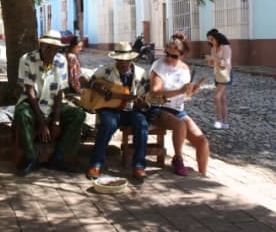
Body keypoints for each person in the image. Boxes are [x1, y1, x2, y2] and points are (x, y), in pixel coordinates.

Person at [14, 29, 86, 176]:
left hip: (53, 103)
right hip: (31, 102)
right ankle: (31, 158)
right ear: (42, 45)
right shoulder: (27, 59)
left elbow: (60, 91)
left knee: (78, 114)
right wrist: (42, 122)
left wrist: (56, 121)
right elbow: (30, 91)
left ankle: (59, 158)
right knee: (22, 113)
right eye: (48, 47)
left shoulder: (61, 60)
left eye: (55, 48)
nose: (52, 52)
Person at [84, 42, 150, 180]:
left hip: (132, 110)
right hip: (110, 109)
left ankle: (139, 166)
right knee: (107, 124)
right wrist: (105, 91)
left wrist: (143, 103)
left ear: (131, 59)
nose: (123, 63)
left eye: (126, 60)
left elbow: (146, 97)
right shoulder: (106, 70)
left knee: (142, 124)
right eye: (120, 60)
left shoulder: (141, 73)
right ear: (116, 59)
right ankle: (96, 164)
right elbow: (88, 82)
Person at [149, 32, 209, 176]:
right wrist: (180, 90)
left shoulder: (185, 69)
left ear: (182, 55)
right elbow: (155, 93)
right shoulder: (159, 65)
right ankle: (178, 158)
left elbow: (184, 95)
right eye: (167, 54)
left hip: (177, 110)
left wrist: (190, 91)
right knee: (180, 124)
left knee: (202, 142)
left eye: (174, 56)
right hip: (159, 107)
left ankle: (203, 175)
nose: (169, 58)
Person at [205, 29, 232, 129]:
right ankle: (225, 122)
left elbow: (225, 63)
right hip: (217, 74)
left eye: (211, 39)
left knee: (216, 97)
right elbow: (213, 64)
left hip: (226, 74)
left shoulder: (226, 48)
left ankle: (219, 120)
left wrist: (213, 59)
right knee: (222, 99)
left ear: (217, 38)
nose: (210, 41)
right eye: (208, 39)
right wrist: (209, 61)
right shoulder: (213, 49)